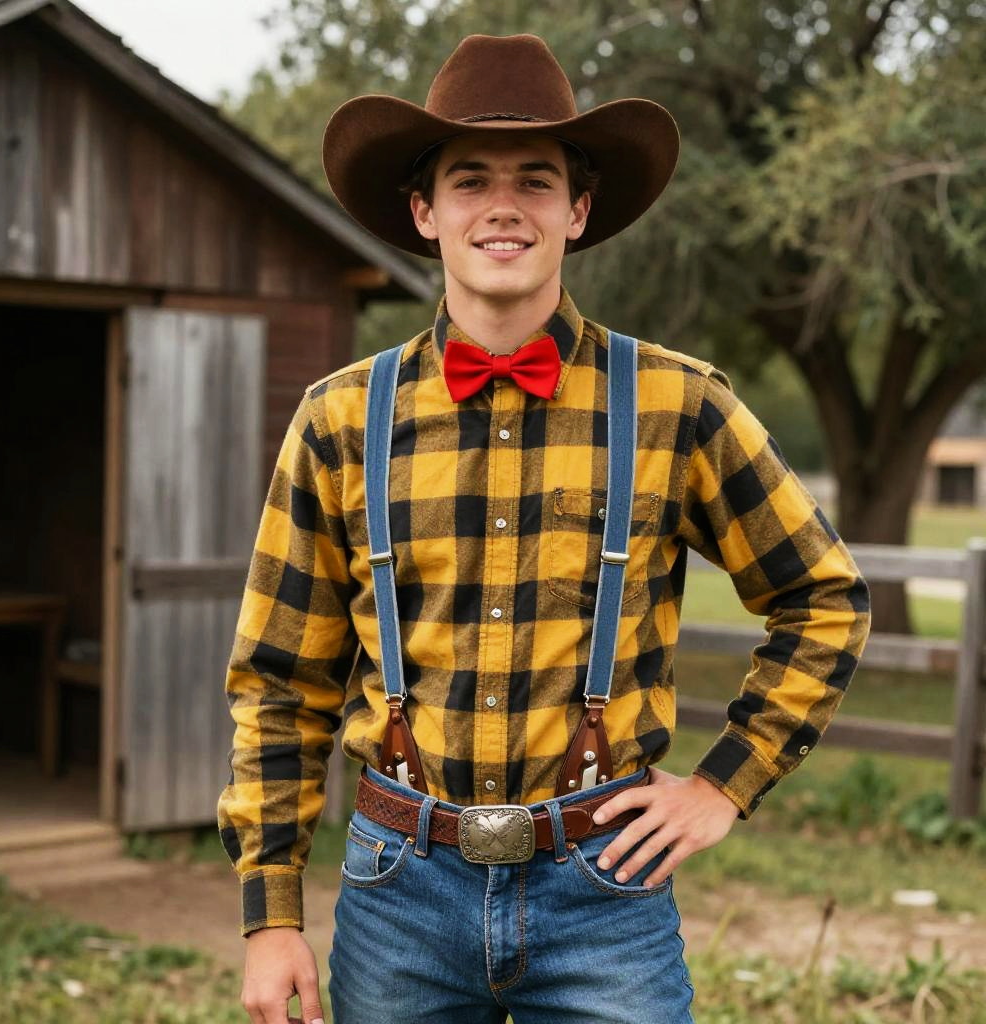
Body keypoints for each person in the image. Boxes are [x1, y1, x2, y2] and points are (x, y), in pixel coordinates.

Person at [217, 33, 871, 1024]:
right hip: (400, 886)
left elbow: (823, 598)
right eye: (469, 178)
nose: (503, 204)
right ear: (425, 210)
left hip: (603, 884)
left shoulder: (676, 403)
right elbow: (278, 679)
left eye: (536, 177)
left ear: (577, 208)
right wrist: (271, 914)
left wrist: (723, 786)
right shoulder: (340, 419)